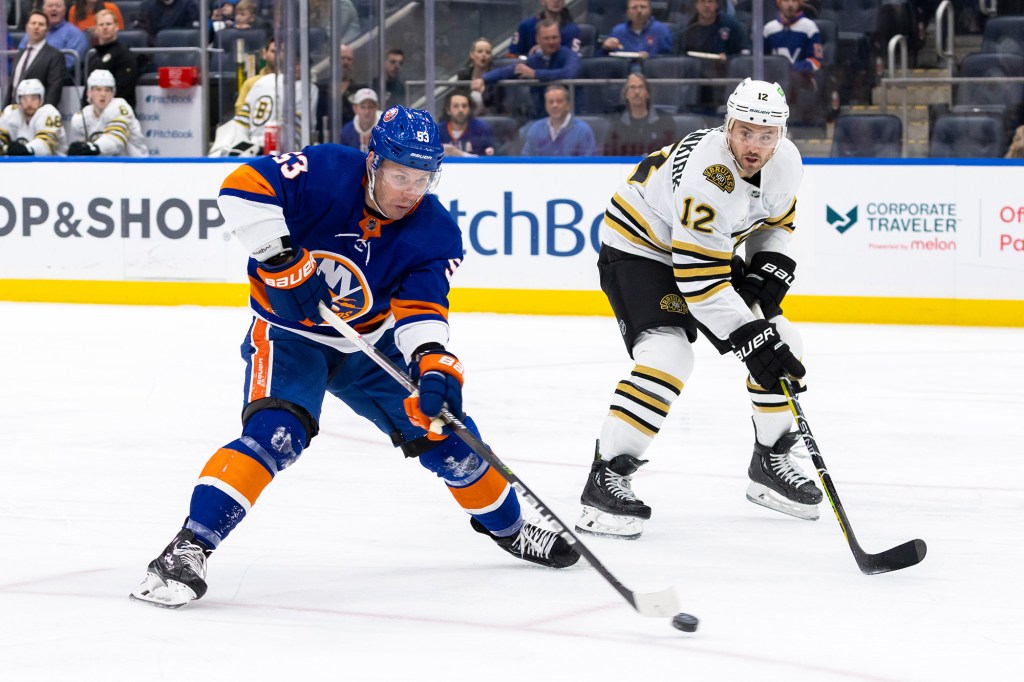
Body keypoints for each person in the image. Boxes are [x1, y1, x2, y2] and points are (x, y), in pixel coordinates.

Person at [128, 105, 581, 609]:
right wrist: (278, 256)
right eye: (401, 175)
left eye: (423, 178)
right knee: (275, 436)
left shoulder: (434, 233)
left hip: (372, 345)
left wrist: (431, 361)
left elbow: (423, 309)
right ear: (373, 163)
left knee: (449, 438)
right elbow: (240, 187)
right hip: (288, 336)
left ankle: (513, 529)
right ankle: (188, 548)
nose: (411, 191)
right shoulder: (325, 171)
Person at [573, 78, 823, 540]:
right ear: (728, 126)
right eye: (744, 131)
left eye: (765, 135)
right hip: (640, 248)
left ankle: (769, 461)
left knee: (786, 339)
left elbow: (777, 221)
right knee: (669, 356)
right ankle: (605, 478)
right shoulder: (710, 177)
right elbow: (699, 283)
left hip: (700, 249)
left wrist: (769, 270)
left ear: (781, 137)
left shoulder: (786, 163)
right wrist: (750, 340)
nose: (753, 145)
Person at [473, 19, 580, 119]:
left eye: (554, 37)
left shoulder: (568, 55)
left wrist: (535, 74)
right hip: (540, 117)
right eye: (546, 38)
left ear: (560, 37)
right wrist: (483, 79)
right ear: (538, 39)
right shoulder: (534, 60)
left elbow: (569, 73)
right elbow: (507, 71)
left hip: (570, 116)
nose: (551, 42)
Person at [208, 68, 319, 156]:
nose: (296, 68)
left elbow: (298, 130)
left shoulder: (308, 88)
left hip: (280, 150)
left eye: (299, 63)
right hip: (256, 146)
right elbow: (242, 119)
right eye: (294, 64)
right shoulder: (262, 82)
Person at [764, 0, 823, 125]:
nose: (790, 4)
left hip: (801, 79)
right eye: (786, 1)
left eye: (794, 1)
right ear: (779, 3)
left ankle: (796, 122)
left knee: (791, 78)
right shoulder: (769, 28)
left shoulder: (809, 27)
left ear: (800, 3)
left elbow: (816, 61)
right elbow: (762, 59)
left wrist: (791, 69)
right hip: (774, 79)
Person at [66, 69, 148, 156]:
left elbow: (115, 142)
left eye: (107, 90)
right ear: (89, 92)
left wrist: (93, 147)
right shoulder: (81, 117)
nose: (103, 94)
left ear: (113, 93)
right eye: (98, 89)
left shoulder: (120, 107)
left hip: (134, 165)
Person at [5, 10, 69, 109]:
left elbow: (54, 89)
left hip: (37, 113)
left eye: (41, 24)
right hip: (14, 112)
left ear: (47, 30)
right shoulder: (20, 54)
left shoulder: (55, 56)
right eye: (33, 23)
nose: (36, 27)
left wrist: (45, 114)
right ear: (27, 27)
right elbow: (12, 87)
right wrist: (4, 110)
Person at [603, 73, 674, 157]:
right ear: (626, 94)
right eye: (632, 87)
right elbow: (609, 157)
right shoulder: (616, 125)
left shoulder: (665, 122)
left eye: (641, 87)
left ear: (648, 93)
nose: (637, 92)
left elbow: (671, 155)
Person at [84, 9, 141, 109]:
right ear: (96, 29)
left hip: (118, 112)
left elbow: (124, 89)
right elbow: (88, 89)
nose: (105, 27)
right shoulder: (93, 56)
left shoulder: (125, 54)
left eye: (108, 24)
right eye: (101, 25)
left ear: (116, 27)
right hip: (94, 113)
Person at [520, 84, 596, 156]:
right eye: (551, 102)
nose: (555, 105)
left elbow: (589, 164)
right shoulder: (535, 128)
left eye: (559, 101)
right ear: (546, 106)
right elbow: (525, 161)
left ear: (568, 105)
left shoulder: (583, 130)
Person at [15, 0, 88, 75]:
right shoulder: (33, 31)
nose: (54, 9)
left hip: (60, 79)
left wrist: (40, 69)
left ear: (64, 11)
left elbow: (70, 63)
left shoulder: (75, 34)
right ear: (43, 10)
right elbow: (20, 56)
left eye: (58, 6)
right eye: (50, 6)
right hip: (29, 77)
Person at [0, 78, 67, 156]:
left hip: (56, 164)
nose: (29, 103)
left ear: (41, 99)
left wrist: (26, 149)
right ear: (19, 100)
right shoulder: (11, 112)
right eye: (24, 99)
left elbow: (45, 145)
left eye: (33, 99)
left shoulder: (49, 112)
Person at [599, 0, 673, 61]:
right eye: (634, 8)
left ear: (650, 10)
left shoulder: (661, 30)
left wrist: (650, 59)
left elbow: (669, 59)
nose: (639, 11)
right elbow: (602, 63)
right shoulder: (618, 31)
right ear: (628, 12)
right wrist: (605, 49)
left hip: (651, 74)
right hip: (623, 75)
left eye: (643, 7)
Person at [508, 0, 581, 57]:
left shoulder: (572, 30)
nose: (556, 1)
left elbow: (573, 61)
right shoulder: (526, 25)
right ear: (542, 1)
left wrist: (546, 50)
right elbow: (512, 55)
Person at [438, 90, 495, 157]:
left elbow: (486, 160)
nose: (461, 110)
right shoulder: (437, 131)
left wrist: (457, 153)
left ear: (469, 110)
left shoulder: (481, 129)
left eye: (464, 106)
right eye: (456, 106)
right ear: (448, 110)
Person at [456, 38, 500, 116]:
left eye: (488, 52)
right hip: (465, 116)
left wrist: (483, 92)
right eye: (480, 51)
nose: (484, 55)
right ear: (472, 55)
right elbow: (457, 98)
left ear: (491, 57)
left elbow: (496, 106)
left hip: (489, 117)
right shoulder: (463, 75)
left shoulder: (496, 75)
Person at [135, 0, 200, 43]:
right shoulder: (146, 6)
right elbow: (142, 33)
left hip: (182, 50)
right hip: (153, 50)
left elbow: (192, 34)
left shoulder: (189, 5)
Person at [339, 87, 380, 152]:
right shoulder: (347, 131)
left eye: (371, 107)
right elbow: (343, 158)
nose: (367, 111)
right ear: (355, 108)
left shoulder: (385, 130)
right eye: (362, 107)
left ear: (377, 108)